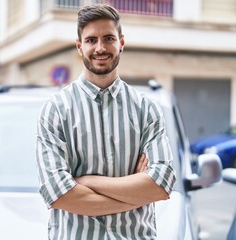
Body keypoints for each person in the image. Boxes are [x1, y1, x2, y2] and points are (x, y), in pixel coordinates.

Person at [36, 3, 176, 239]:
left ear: (121, 42)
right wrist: (136, 192)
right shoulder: (55, 110)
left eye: (108, 38)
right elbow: (58, 193)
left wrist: (87, 181)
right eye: (91, 40)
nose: (100, 48)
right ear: (80, 46)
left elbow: (160, 185)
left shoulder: (146, 109)